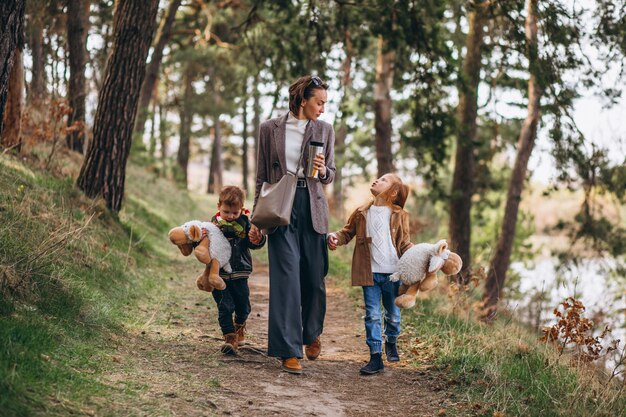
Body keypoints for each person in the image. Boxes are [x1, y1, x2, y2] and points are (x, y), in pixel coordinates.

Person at [249, 75, 335, 375]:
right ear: (302, 100)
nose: (323, 108)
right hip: (279, 207)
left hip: (311, 205)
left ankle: (311, 333)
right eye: (319, 102)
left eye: (325, 102)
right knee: (286, 279)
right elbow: (261, 174)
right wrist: (256, 218)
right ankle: (288, 350)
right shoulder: (269, 129)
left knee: (314, 278)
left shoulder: (324, 129)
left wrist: (325, 171)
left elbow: (331, 174)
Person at [327, 173, 412, 375]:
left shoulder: (400, 215)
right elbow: (347, 233)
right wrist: (334, 238)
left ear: (393, 192)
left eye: (383, 180)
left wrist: (416, 255)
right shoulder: (362, 212)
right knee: (372, 315)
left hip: (393, 274)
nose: (376, 180)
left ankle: (391, 341)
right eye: (377, 178)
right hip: (370, 274)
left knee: (393, 315)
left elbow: (404, 243)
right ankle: (375, 356)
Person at [211, 185, 266, 355]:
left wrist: (258, 239)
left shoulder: (246, 224)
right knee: (225, 306)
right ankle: (229, 338)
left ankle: (239, 327)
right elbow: (203, 244)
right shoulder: (213, 225)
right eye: (227, 212)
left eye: (235, 213)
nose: (231, 216)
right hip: (219, 275)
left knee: (244, 307)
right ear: (219, 206)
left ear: (241, 209)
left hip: (240, 273)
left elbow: (253, 243)